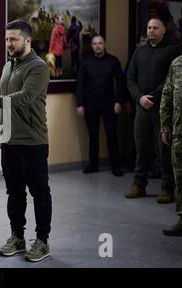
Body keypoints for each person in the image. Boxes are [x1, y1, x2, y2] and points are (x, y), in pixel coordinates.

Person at [0, 20, 51, 262]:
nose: (9, 43)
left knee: (39, 191)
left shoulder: (38, 67)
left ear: (27, 40)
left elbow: (25, 97)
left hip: (32, 141)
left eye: (14, 39)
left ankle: (42, 241)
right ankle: (17, 237)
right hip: (9, 141)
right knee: (14, 192)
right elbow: (7, 103)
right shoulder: (8, 66)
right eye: (7, 39)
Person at [126, 17, 181, 202]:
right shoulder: (139, 52)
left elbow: (171, 79)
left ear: (164, 30)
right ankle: (139, 184)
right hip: (142, 107)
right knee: (141, 146)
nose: (151, 30)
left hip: (162, 108)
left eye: (155, 28)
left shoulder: (173, 50)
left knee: (163, 149)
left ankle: (167, 188)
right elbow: (130, 78)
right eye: (149, 27)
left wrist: (153, 97)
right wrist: (139, 97)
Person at [76, 35, 124, 177]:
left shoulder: (113, 61)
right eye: (95, 43)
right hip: (91, 104)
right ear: (91, 46)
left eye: (100, 43)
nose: (98, 46)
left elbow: (120, 82)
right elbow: (80, 84)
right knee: (93, 135)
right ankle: (93, 164)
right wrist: (80, 104)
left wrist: (119, 101)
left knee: (112, 135)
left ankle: (116, 166)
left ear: (104, 44)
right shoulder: (86, 63)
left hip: (109, 104)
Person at [160, 55, 182, 236]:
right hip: (178, 133)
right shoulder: (176, 64)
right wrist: (165, 126)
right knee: (180, 178)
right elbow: (167, 96)